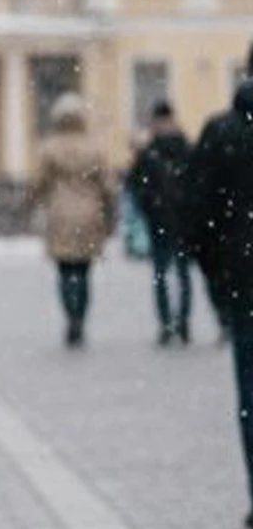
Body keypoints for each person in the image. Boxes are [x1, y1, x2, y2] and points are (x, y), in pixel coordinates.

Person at [184, 72, 253, 528]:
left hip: (243, 279)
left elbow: (198, 211)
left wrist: (217, 277)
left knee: (250, 388)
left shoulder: (221, 132)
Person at [28, 93, 117, 348]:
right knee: (84, 270)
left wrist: (32, 201)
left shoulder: (50, 148)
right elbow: (107, 185)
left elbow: (39, 182)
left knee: (65, 270)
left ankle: (70, 315)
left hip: (61, 213)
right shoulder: (95, 148)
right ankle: (80, 316)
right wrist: (109, 210)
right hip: (90, 214)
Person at [128, 99, 193, 344]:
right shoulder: (184, 147)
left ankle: (169, 323)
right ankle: (179, 323)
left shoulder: (151, 151)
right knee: (178, 274)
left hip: (163, 221)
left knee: (164, 275)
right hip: (178, 220)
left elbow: (136, 184)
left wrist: (150, 207)